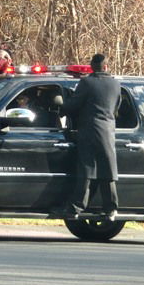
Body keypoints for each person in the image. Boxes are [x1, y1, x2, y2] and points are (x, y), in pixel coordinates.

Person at [56, 53, 120, 219]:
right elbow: (116, 108)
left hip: (89, 131)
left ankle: (77, 207)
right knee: (107, 170)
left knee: (87, 169)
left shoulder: (87, 83)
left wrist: (61, 108)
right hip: (108, 132)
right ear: (106, 66)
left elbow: (74, 104)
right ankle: (111, 208)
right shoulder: (115, 84)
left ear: (92, 66)